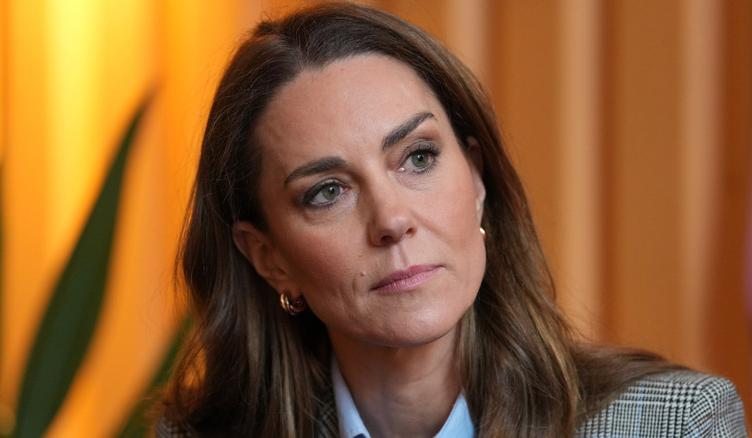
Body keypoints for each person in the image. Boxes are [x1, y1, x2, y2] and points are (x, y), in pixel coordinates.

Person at [157, 2, 747, 437]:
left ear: (477, 179)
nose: (392, 219)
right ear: (270, 258)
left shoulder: (673, 424)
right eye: (328, 191)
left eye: (417, 157)